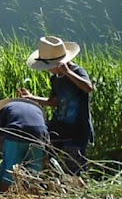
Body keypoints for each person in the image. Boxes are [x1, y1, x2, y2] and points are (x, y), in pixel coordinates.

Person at [17, 36, 94, 176]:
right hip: (58, 126)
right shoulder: (55, 79)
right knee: (43, 154)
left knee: (75, 165)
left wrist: (68, 72)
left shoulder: (77, 72)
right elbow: (54, 102)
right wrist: (31, 97)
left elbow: (88, 88)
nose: (48, 70)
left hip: (77, 129)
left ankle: (76, 185)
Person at [0, 95, 50, 189]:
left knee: (10, 173)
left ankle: (4, 193)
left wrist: (5, 153)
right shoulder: (36, 110)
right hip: (38, 137)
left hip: (16, 134)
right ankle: (33, 194)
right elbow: (44, 131)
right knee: (34, 176)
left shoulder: (5, 108)